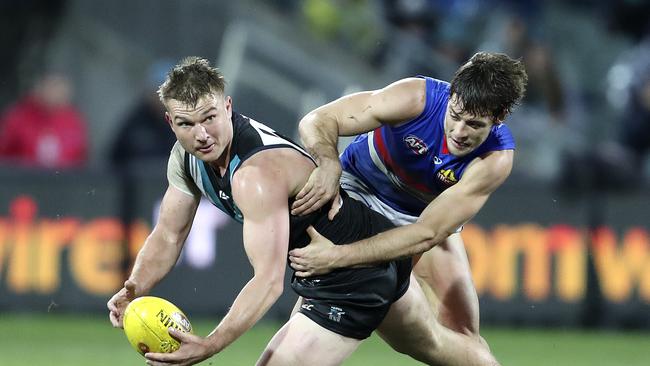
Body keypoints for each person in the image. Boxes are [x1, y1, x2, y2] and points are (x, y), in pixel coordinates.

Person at [106, 57, 495, 366]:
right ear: (169, 122)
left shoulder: (255, 175)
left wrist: (209, 345)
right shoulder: (185, 158)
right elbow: (169, 234)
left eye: (209, 117)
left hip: (350, 279)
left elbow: (268, 282)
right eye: (186, 124)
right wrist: (134, 287)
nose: (201, 134)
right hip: (348, 258)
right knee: (438, 346)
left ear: (228, 106)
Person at [289, 52, 527, 362]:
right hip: (360, 191)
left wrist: (337, 256)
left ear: (500, 117)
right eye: (455, 115)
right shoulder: (416, 98)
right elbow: (317, 119)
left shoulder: (495, 159)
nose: (458, 131)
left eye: (473, 124)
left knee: (464, 333)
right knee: (324, 299)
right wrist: (328, 163)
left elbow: (426, 234)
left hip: (422, 220)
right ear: (451, 94)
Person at [0, 72, 88, 168]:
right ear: (39, 90)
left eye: (59, 91)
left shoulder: (73, 120)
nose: (54, 96)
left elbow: (80, 155)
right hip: (23, 177)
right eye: (51, 89)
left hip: (63, 178)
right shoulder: (18, 117)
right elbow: (4, 151)